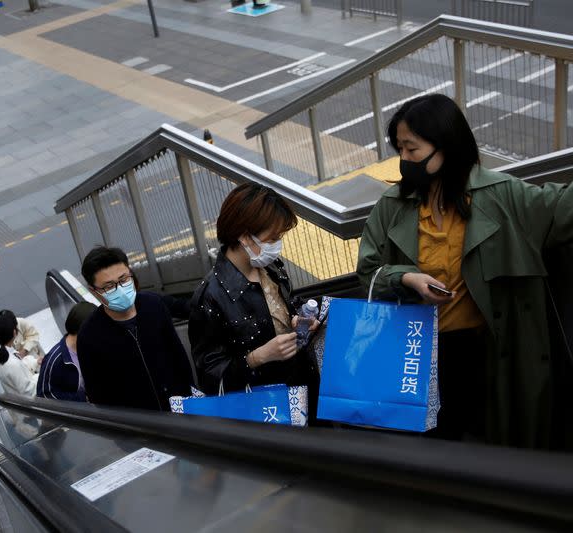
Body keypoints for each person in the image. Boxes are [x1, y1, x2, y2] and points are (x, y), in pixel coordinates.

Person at [357, 93, 573, 449]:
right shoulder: (393, 205)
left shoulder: (502, 196)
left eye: (412, 149)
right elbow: (368, 271)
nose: (403, 160)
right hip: (413, 351)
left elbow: (560, 209)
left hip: (487, 351)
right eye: (400, 149)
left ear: (445, 144)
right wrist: (405, 278)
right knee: (426, 442)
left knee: (490, 440)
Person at [189, 183, 321, 419]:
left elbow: (283, 305)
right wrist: (257, 357)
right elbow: (210, 377)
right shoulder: (210, 296)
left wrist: (299, 317)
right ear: (244, 237)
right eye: (272, 238)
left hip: (302, 389)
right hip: (267, 410)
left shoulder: (269, 267)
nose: (278, 244)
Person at [77, 246, 192, 411]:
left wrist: (189, 395)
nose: (120, 289)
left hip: (180, 410)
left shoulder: (154, 305)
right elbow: (99, 394)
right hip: (138, 426)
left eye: (123, 279)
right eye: (109, 287)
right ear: (94, 292)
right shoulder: (89, 337)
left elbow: (178, 356)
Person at [38, 302, 97, 402]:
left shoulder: (89, 347)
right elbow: (45, 395)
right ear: (83, 329)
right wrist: (83, 398)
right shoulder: (55, 359)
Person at [0, 314, 40, 397]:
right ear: (14, 332)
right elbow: (28, 391)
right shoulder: (13, 365)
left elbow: (19, 366)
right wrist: (42, 375)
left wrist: (35, 362)